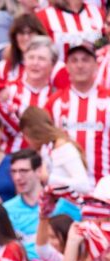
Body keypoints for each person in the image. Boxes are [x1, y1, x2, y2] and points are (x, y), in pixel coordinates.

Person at [46, 40, 110, 188]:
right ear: (67, 66)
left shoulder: (108, 99)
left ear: (96, 65)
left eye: (85, 60)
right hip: (67, 191)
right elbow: (43, 144)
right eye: (74, 60)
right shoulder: (54, 103)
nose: (80, 65)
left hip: (104, 190)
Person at [20, 105, 92, 195]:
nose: (26, 139)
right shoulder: (46, 149)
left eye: (25, 134)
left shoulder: (63, 147)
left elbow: (84, 186)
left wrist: (50, 179)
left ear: (34, 132)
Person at [3, 149, 44, 260]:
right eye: (14, 172)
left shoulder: (56, 204)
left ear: (39, 171)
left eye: (23, 171)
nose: (17, 177)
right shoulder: (6, 209)